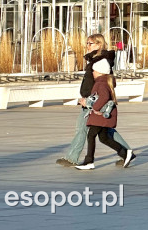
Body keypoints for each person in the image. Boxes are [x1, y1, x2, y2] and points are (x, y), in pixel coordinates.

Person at [57, 34, 133, 167]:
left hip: (94, 102)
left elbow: (105, 84)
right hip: (91, 100)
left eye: (90, 43)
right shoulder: (94, 59)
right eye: (87, 43)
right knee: (105, 131)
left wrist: (92, 102)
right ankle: (126, 152)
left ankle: (74, 158)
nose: (87, 46)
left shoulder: (102, 61)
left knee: (84, 129)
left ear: (99, 44)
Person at [75, 59, 131, 170]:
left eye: (94, 71)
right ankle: (125, 153)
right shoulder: (104, 82)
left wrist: (94, 107)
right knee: (104, 138)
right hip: (102, 116)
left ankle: (89, 161)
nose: (92, 73)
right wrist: (87, 102)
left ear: (100, 72)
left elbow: (104, 97)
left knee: (91, 135)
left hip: (100, 116)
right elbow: (97, 97)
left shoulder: (101, 83)